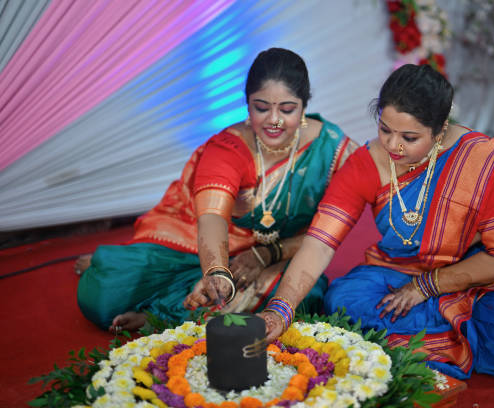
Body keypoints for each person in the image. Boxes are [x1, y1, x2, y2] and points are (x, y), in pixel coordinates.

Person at [260, 64, 494, 380]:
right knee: (343, 301)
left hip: (488, 273)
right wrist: (280, 309)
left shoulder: (477, 163)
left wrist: (428, 287)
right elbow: (321, 242)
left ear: (440, 130)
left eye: (409, 138)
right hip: (403, 269)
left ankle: (459, 321)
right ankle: (462, 324)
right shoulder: (366, 164)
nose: (393, 146)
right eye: (385, 130)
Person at [77, 48, 357, 332]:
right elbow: (212, 218)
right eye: (261, 107)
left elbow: (330, 231)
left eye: (287, 109)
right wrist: (216, 270)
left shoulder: (333, 149)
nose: (274, 120)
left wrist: (266, 255)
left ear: (304, 106)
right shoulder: (228, 148)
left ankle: (166, 318)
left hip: (282, 256)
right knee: (102, 295)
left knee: (306, 298)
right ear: (247, 105)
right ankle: (177, 300)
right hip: (197, 245)